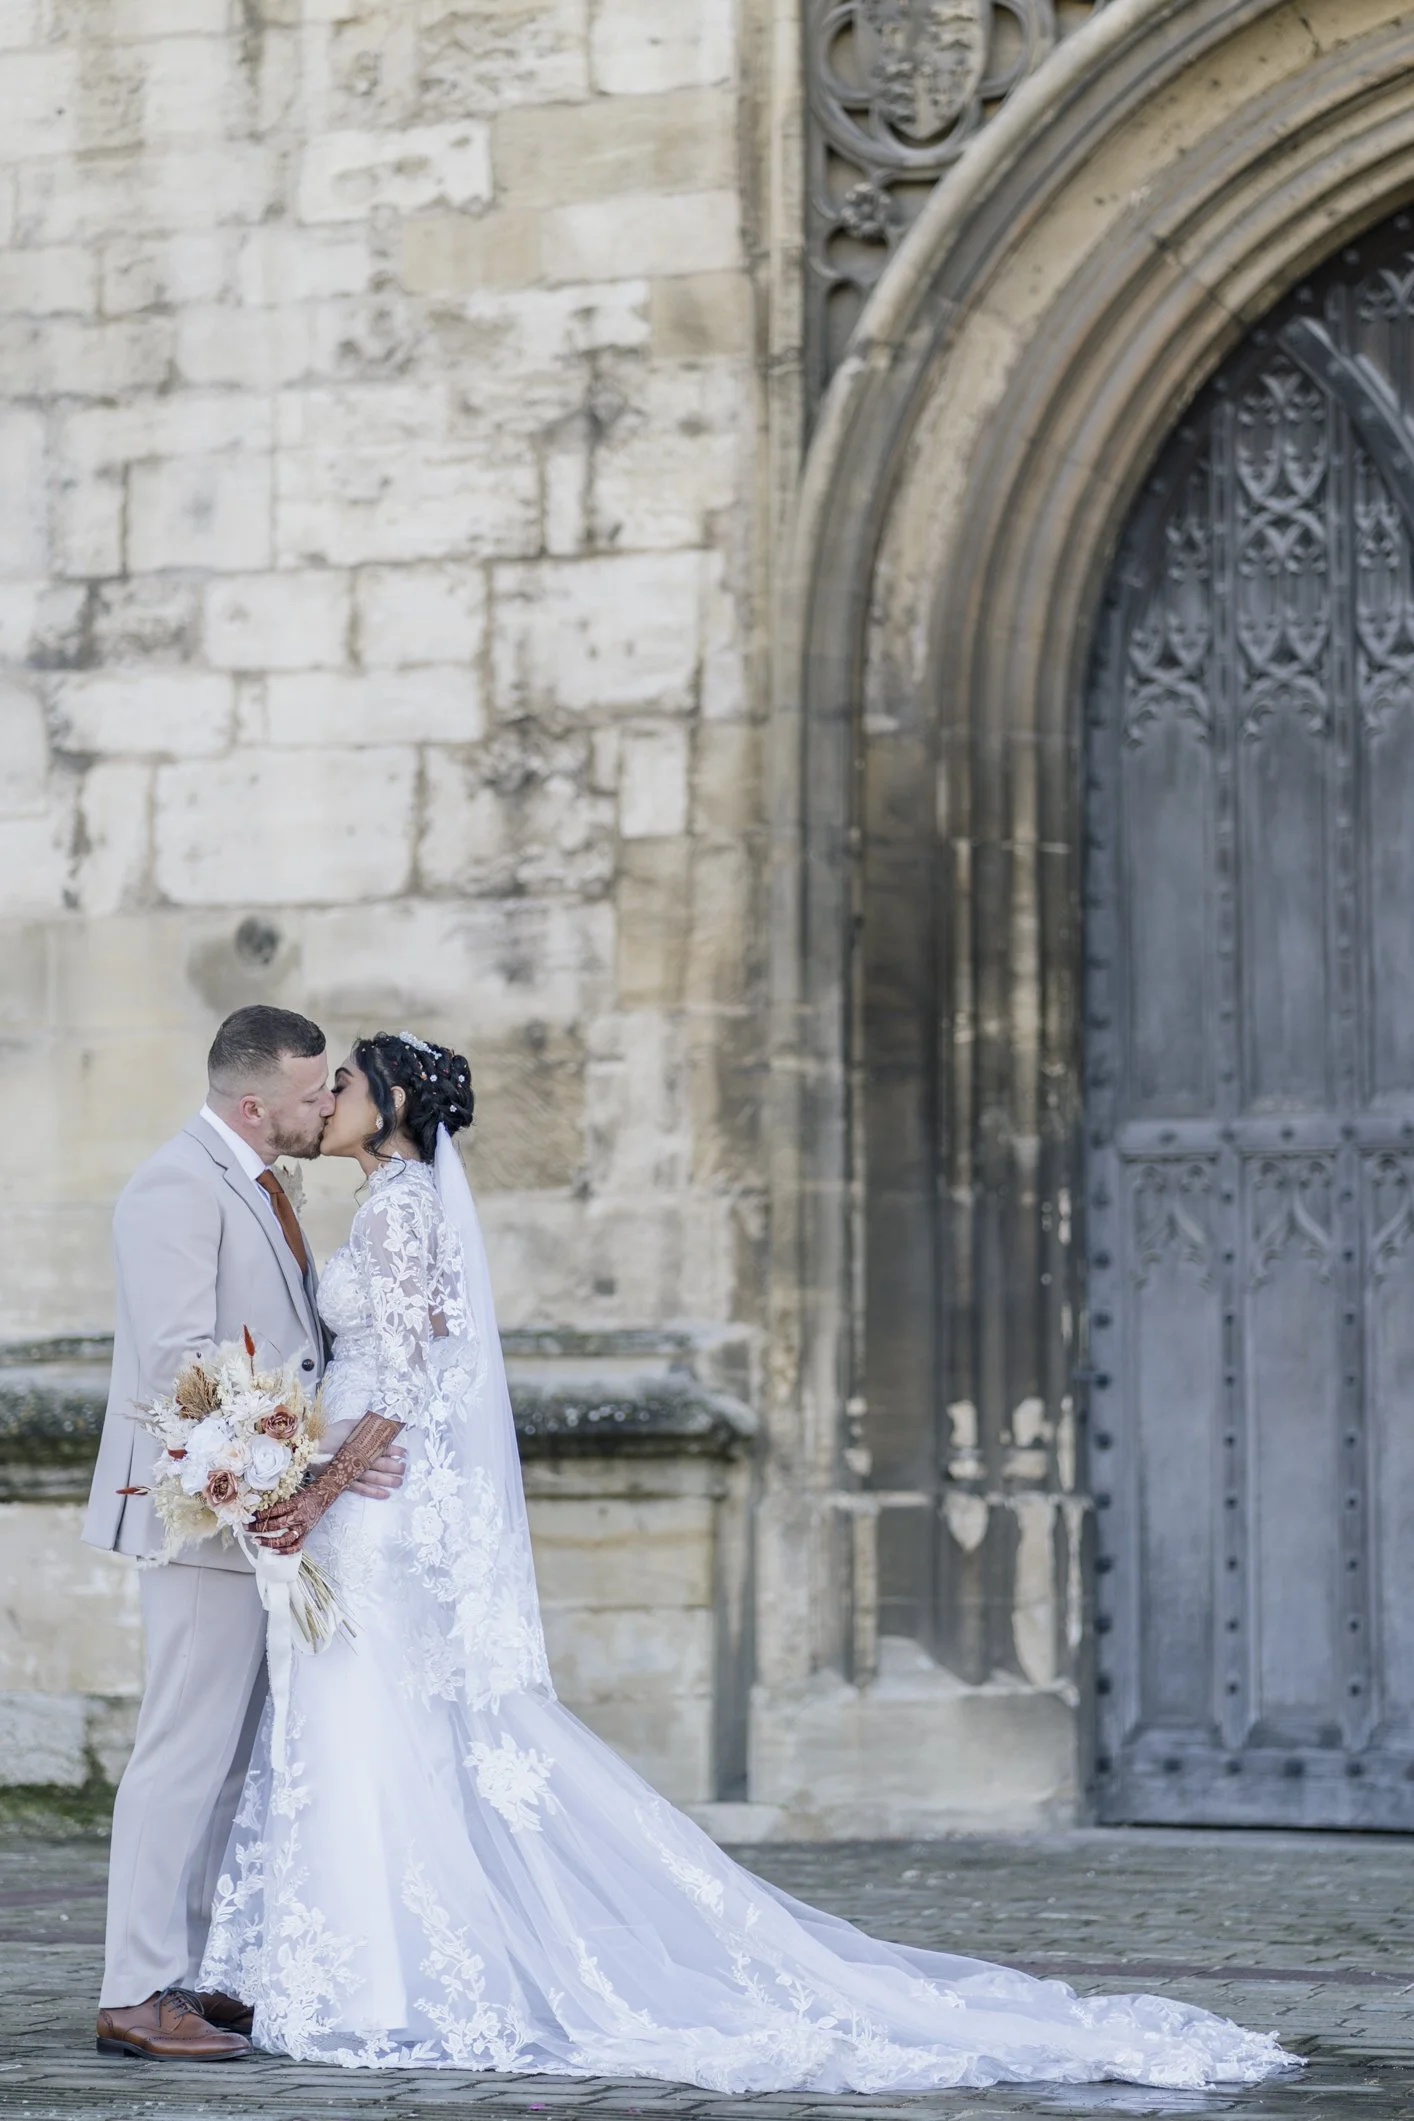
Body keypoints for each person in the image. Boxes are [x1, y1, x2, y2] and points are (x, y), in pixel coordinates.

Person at [197, 1029, 1296, 2094]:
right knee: (366, 1723)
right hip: (358, 1494)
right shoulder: (398, 1207)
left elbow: (407, 1388)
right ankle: (356, 1971)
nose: (326, 1095)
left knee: (367, 1721)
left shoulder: (398, 1214)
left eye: (344, 1082)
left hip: (370, 1507)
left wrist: (320, 1489)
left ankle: (378, 1985)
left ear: (389, 1106)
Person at [85, 1006, 407, 2063]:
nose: (331, 1105)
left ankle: (190, 1974)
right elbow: (180, 1369)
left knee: (228, 1760)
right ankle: (134, 1992)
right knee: (182, 1751)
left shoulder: (265, 1182)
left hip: (260, 1523)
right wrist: (304, 1465)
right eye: (318, 1092)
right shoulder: (175, 1185)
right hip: (200, 1515)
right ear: (256, 1102)